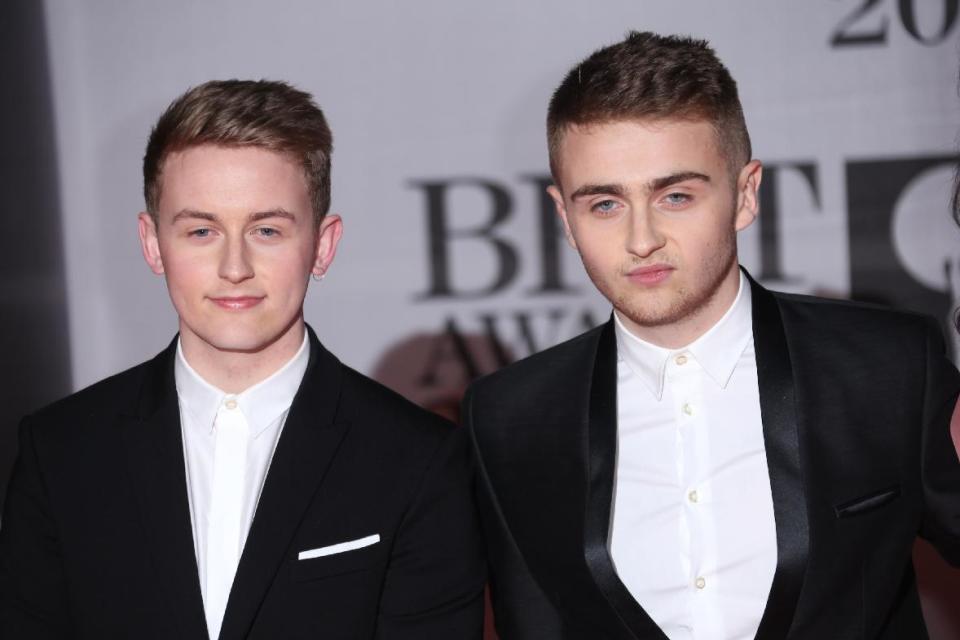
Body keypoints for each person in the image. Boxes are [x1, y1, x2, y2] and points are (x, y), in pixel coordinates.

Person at [464, 32, 960, 639]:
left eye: (675, 196)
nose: (642, 239)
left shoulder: (886, 365)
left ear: (745, 194)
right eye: (605, 204)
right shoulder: (510, 416)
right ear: (564, 218)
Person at [0, 79, 484, 639]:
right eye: (202, 230)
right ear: (153, 243)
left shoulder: (417, 459)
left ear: (322, 246)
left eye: (268, 229)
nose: (235, 266)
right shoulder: (60, 449)